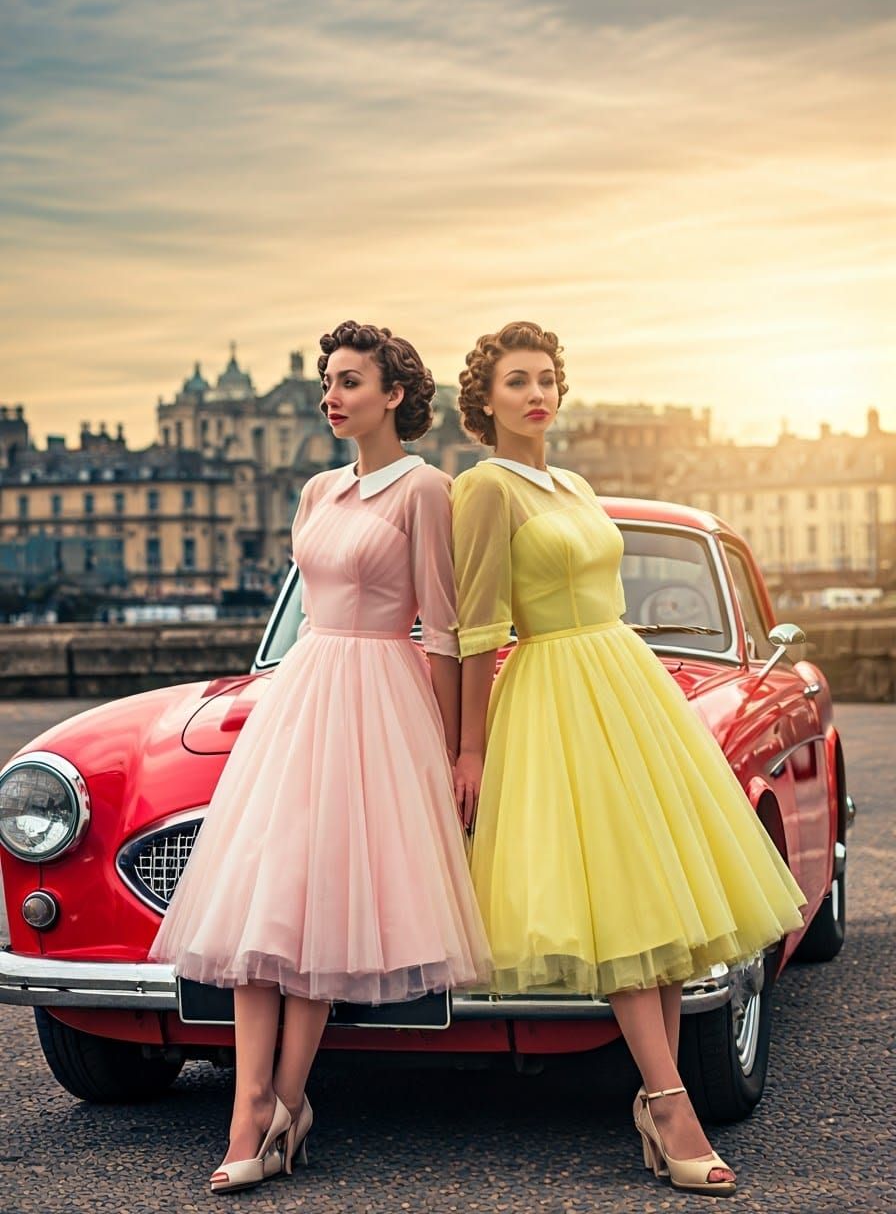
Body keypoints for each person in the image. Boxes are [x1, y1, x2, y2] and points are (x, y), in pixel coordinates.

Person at [450, 321, 805, 1197]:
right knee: (619, 911)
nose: (537, 393)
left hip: (626, 684)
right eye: (516, 381)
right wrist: (469, 747)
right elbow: (476, 628)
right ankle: (671, 1107)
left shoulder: (573, 483)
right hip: (553, 690)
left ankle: (658, 1099)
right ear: (484, 401)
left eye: (546, 379)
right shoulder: (484, 488)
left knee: (660, 903)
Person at [150, 320, 490, 1193]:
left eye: (349, 382)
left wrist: (458, 748)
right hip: (304, 692)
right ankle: (250, 1107)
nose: (332, 398)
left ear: (394, 395)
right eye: (327, 383)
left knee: (323, 910)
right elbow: (308, 611)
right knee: (269, 902)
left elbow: (445, 629)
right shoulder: (314, 490)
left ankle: (284, 1106)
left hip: (382, 695)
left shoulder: (428, 489)